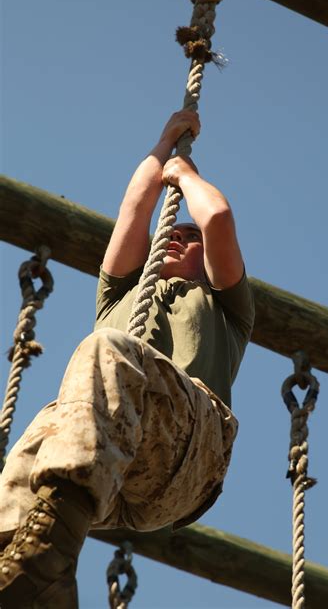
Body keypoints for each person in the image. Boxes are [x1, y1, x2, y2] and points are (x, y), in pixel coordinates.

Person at [0, 110, 255, 608]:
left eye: (189, 238)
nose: (177, 236)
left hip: (187, 449)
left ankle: (49, 558)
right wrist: (162, 146)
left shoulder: (227, 308)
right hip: (111, 475)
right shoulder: (119, 296)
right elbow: (136, 211)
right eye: (171, 233)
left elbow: (218, 219)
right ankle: (27, 573)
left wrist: (185, 175)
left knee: (105, 351)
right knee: (29, 451)